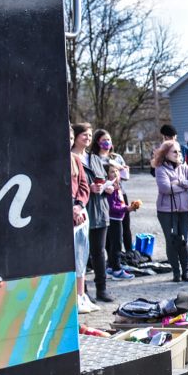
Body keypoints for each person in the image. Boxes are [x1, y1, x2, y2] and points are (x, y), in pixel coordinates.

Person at [154, 140, 188, 283]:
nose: (178, 154)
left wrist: (180, 183)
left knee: (184, 241)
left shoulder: (184, 167)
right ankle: (176, 273)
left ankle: (186, 272)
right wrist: (185, 186)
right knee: (172, 241)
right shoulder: (160, 168)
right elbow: (165, 189)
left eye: (179, 151)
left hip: (185, 210)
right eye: (175, 151)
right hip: (166, 211)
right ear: (165, 153)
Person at [77, 126, 112, 303]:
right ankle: (82, 291)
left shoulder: (96, 159)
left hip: (101, 211)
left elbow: (104, 180)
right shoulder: (72, 159)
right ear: (75, 137)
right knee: (82, 253)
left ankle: (102, 289)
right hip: (83, 212)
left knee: (99, 252)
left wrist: (108, 187)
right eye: (85, 135)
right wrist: (89, 189)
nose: (88, 138)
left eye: (90, 135)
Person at [160, 124, 188, 259]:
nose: (171, 139)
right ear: (163, 137)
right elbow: (156, 172)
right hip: (169, 192)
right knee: (173, 221)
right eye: (168, 137)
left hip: (185, 189)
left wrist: (182, 176)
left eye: (173, 137)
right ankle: (177, 249)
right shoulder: (160, 151)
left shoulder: (183, 149)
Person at [70, 126, 96, 313]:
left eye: (70, 137)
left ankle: (81, 296)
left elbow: (83, 186)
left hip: (80, 216)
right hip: (65, 217)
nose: (69, 140)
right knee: (69, 259)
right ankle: (70, 297)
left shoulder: (76, 160)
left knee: (81, 256)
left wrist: (79, 206)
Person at [104, 163, 136, 280]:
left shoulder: (118, 187)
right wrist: (126, 209)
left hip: (119, 218)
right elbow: (111, 207)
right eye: (112, 171)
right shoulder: (109, 188)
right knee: (116, 245)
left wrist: (129, 207)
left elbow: (120, 203)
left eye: (117, 171)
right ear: (106, 175)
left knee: (114, 244)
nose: (116, 173)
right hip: (113, 219)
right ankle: (117, 270)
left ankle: (112, 266)